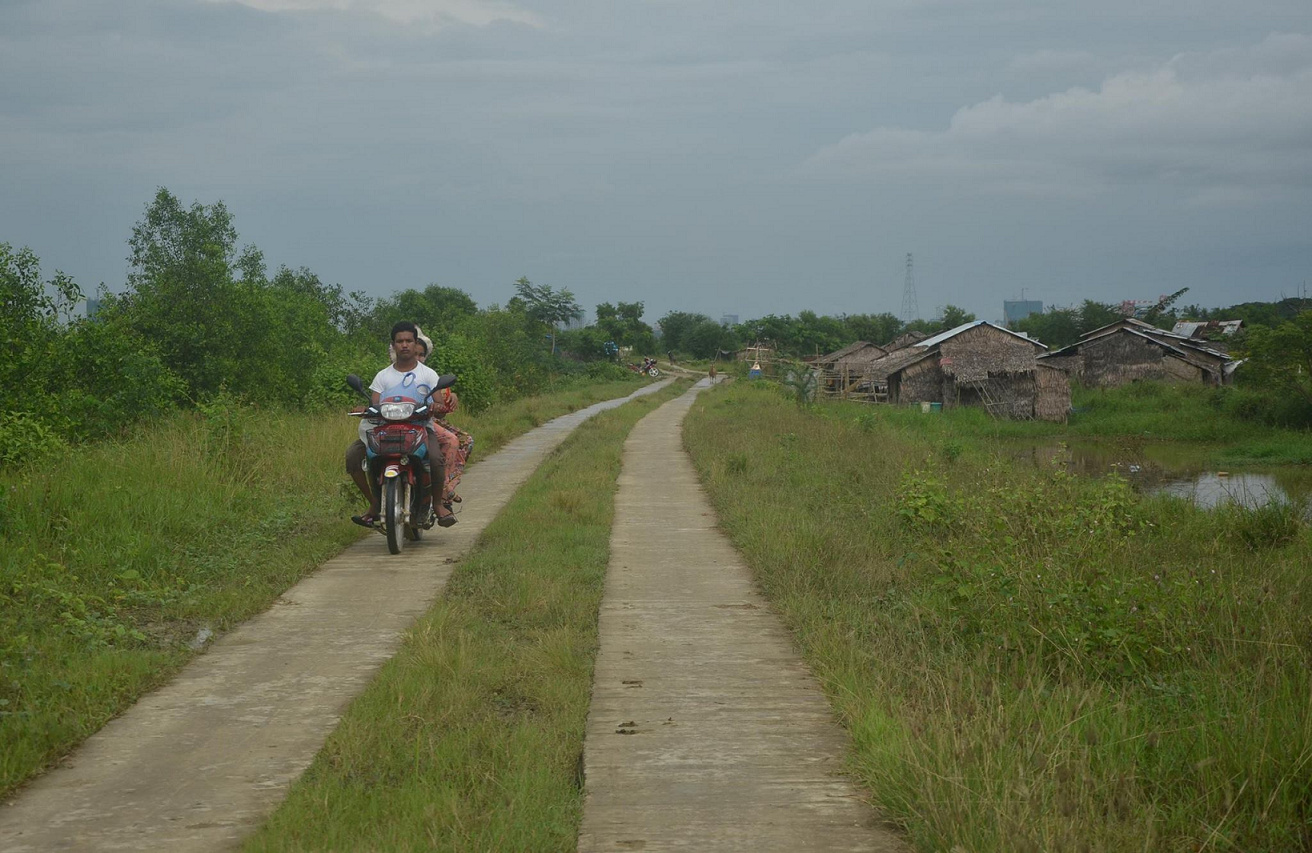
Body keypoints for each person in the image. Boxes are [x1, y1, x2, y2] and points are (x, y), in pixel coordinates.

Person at [349, 321, 455, 529]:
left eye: (409, 341)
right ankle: (374, 505)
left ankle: (437, 504)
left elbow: (439, 403)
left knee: (435, 458)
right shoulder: (383, 376)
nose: (404, 345)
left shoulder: (428, 374)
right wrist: (365, 408)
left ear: (416, 344)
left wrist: (437, 407)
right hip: (384, 431)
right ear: (393, 345)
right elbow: (375, 403)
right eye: (400, 341)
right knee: (353, 456)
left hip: (421, 429)